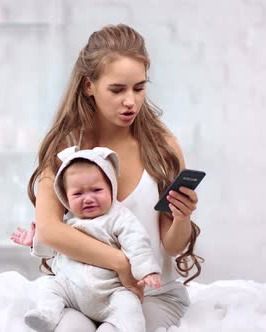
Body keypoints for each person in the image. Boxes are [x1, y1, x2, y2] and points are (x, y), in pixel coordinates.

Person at [21, 24, 203, 332]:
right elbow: (50, 230)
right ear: (89, 86)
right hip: (80, 292)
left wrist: (182, 218)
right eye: (117, 90)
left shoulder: (162, 147)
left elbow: (171, 246)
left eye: (139, 88)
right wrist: (120, 263)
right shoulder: (66, 148)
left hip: (149, 294)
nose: (130, 101)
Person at [11, 146, 161, 332]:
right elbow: (53, 248)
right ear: (65, 198)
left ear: (111, 188)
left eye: (96, 190)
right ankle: (47, 314)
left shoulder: (119, 217)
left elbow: (137, 243)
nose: (88, 199)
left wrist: (147, 270)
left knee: (130, 306)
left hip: (110, 292)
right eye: (78, 194)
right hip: (72, 291)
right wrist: (34, 240)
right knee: (49, 286)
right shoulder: (66, 223)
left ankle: (120, 328)